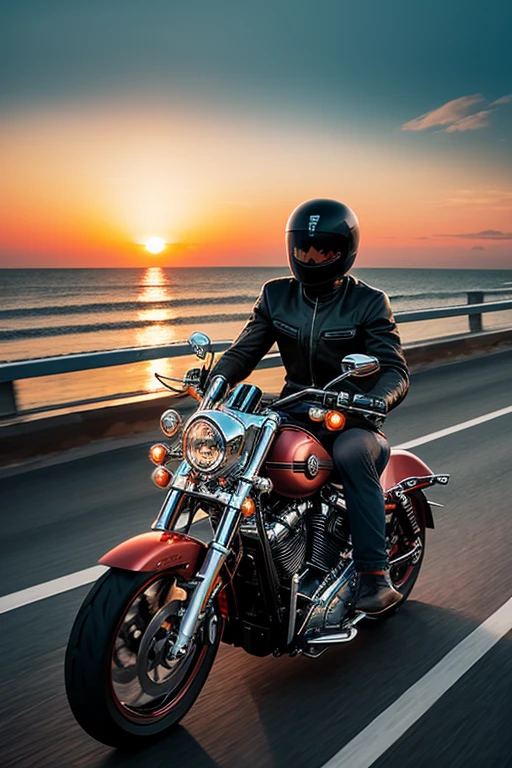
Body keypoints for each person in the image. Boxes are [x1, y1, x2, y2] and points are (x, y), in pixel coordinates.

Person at [211, 199, 409, 614]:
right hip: (295, 409)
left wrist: (374, 399)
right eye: (304, 250)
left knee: (352, 453)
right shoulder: (276, 295)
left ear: (344, 253)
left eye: (323, 251)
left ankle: (374, 575)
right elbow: (244, 350)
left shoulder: (370, 303)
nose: (312, 257)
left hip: (351, 418)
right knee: (231, 452)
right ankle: (249, 559)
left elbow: (394, 370)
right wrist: (217, 380)